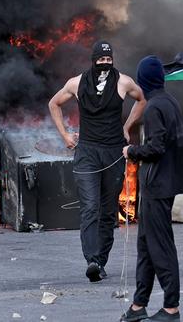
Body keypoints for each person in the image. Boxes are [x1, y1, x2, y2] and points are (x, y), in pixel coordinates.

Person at [49, 40, 146, 282]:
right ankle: (91, 259)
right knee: (90, 207)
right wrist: (64, 135)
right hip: (87, 153)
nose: (104, 63)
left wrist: (126, 127)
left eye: (108, 59)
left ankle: (100, 261)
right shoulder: (77, 82)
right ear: (93, 60)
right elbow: (54, 104)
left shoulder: (123, 81)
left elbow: (142, 99)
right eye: (100, 60)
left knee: (107, 210)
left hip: (113, 153)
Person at [120, 56, 183, 322]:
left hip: (158, 186)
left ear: (144, 80)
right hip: (164, 184)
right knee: (146, 246)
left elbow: (156, 148)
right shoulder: (170, 101)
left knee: (160, 247)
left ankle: (171, 308)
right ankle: (139, 305)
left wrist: (132, 151)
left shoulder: (153, 108)